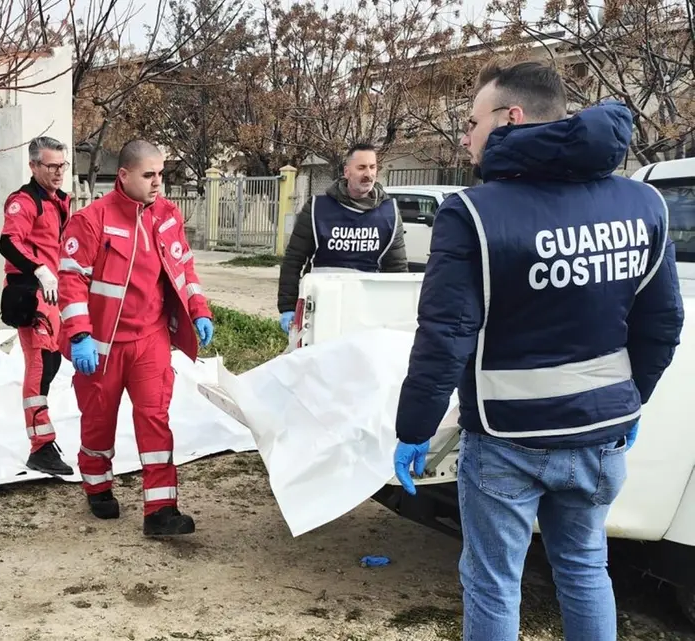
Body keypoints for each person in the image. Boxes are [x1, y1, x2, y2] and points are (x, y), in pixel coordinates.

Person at [391, 61, 684, 641]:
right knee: (584, 568)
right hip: (602, 435)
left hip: (507, 441)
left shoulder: (472, 213)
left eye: (472, 123)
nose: (466, 138)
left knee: (495, 582)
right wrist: (630, 400)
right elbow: (662, 323)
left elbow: (445, 335)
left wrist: (414, 428)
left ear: (511, 118)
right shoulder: (643, 205)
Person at [57, 139, 215, 537]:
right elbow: (71, 280)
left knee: (155, 419)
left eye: (161, 174)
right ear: (124, 176)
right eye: (149, 175)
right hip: (102, 346)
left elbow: (184, 268)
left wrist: (199, 310)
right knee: (98, 420)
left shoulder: (166, 215)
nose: (158, 183)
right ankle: (97, 485)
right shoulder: (91, 220)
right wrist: (79, 335)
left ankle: (161, 509)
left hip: (151, 339)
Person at [0, 136, 75, 477]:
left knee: (52, 362)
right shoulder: (25, 202)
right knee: (41, 365)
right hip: (32, 293)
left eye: (62, 165)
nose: (59, 172)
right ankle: (41, 445)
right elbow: (7, 242)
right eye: (51, 166)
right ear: (33, 166)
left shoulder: (58, 201)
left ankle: (41, 439)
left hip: (52, 295)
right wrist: (38, 269)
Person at [276, 142, 407, 332]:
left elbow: (397, 269)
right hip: (320, 308)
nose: (368, 174)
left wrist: (399, 313)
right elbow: (293, 260)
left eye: (372, 167)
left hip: (367, 312)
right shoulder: (317, 209)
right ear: (347, 172)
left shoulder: (390, 213)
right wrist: (288, 307)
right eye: (361, 167)